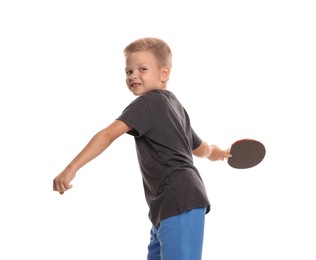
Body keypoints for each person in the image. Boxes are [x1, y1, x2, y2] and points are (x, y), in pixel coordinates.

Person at [53, 37, 231, 260]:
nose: (133, 76)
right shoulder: (173, 105)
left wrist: (72, 168)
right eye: (128, 71)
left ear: (164, 73)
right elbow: (202, 148)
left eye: (142, 69)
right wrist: (218, 153)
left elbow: (108, 135)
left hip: (178, 200)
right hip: (170, 205)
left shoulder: (148, 103)